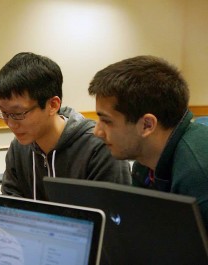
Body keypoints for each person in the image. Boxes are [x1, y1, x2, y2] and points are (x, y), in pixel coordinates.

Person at [88, 55, 208, 229]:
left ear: (147, 125)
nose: (96, 132)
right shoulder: (145, 164)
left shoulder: (199, 175)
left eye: (106, 121)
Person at [0, 52, 131, 200]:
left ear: (53, 105)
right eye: (3, 113)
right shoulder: (18, 149)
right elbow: (10, 206)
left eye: (18, 113)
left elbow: (113, 217)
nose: (11, 124)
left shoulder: (99, 149)